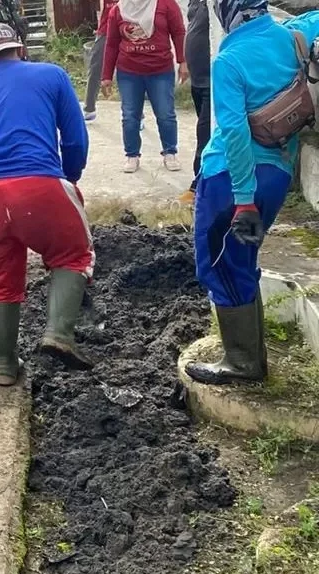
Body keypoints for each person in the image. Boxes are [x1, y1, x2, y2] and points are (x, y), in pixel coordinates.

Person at [184, 4, 319, 385]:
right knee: (240, 260)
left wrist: (243, 199)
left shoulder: (229, 60)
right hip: (277, 172)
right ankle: (249, 356)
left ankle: (243, 364)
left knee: (219, 264)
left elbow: (235, 134)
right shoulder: (292, 36)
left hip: (232, 180)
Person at [0, 23, 93, 386]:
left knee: (2, 277)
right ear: (19, 49)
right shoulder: (52, 75)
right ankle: (59, 335)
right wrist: (70, 176)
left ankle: (5, 364)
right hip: (38, 183)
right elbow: (75, 138)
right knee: (73, 254)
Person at [100, 0, 188, 173]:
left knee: (165, 114)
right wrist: (106, 76)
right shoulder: (117, 11)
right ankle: (132, 155)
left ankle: (170, 152)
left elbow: (178, 32)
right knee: (130, 115)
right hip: (129, 72)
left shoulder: (166, 5)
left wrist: (182, 61)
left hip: (160, 70)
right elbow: (111, 44)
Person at [182, 0, 210, 205]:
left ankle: (198, 185)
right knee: (205, 131)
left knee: (205, 133)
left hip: (214, 81)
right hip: (198, 79)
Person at [83, 0, 119, 122]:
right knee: (95, 68)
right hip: (105, 31)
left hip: (127, 30)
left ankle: (137, 115)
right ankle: (89, 108)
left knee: (132, 71)